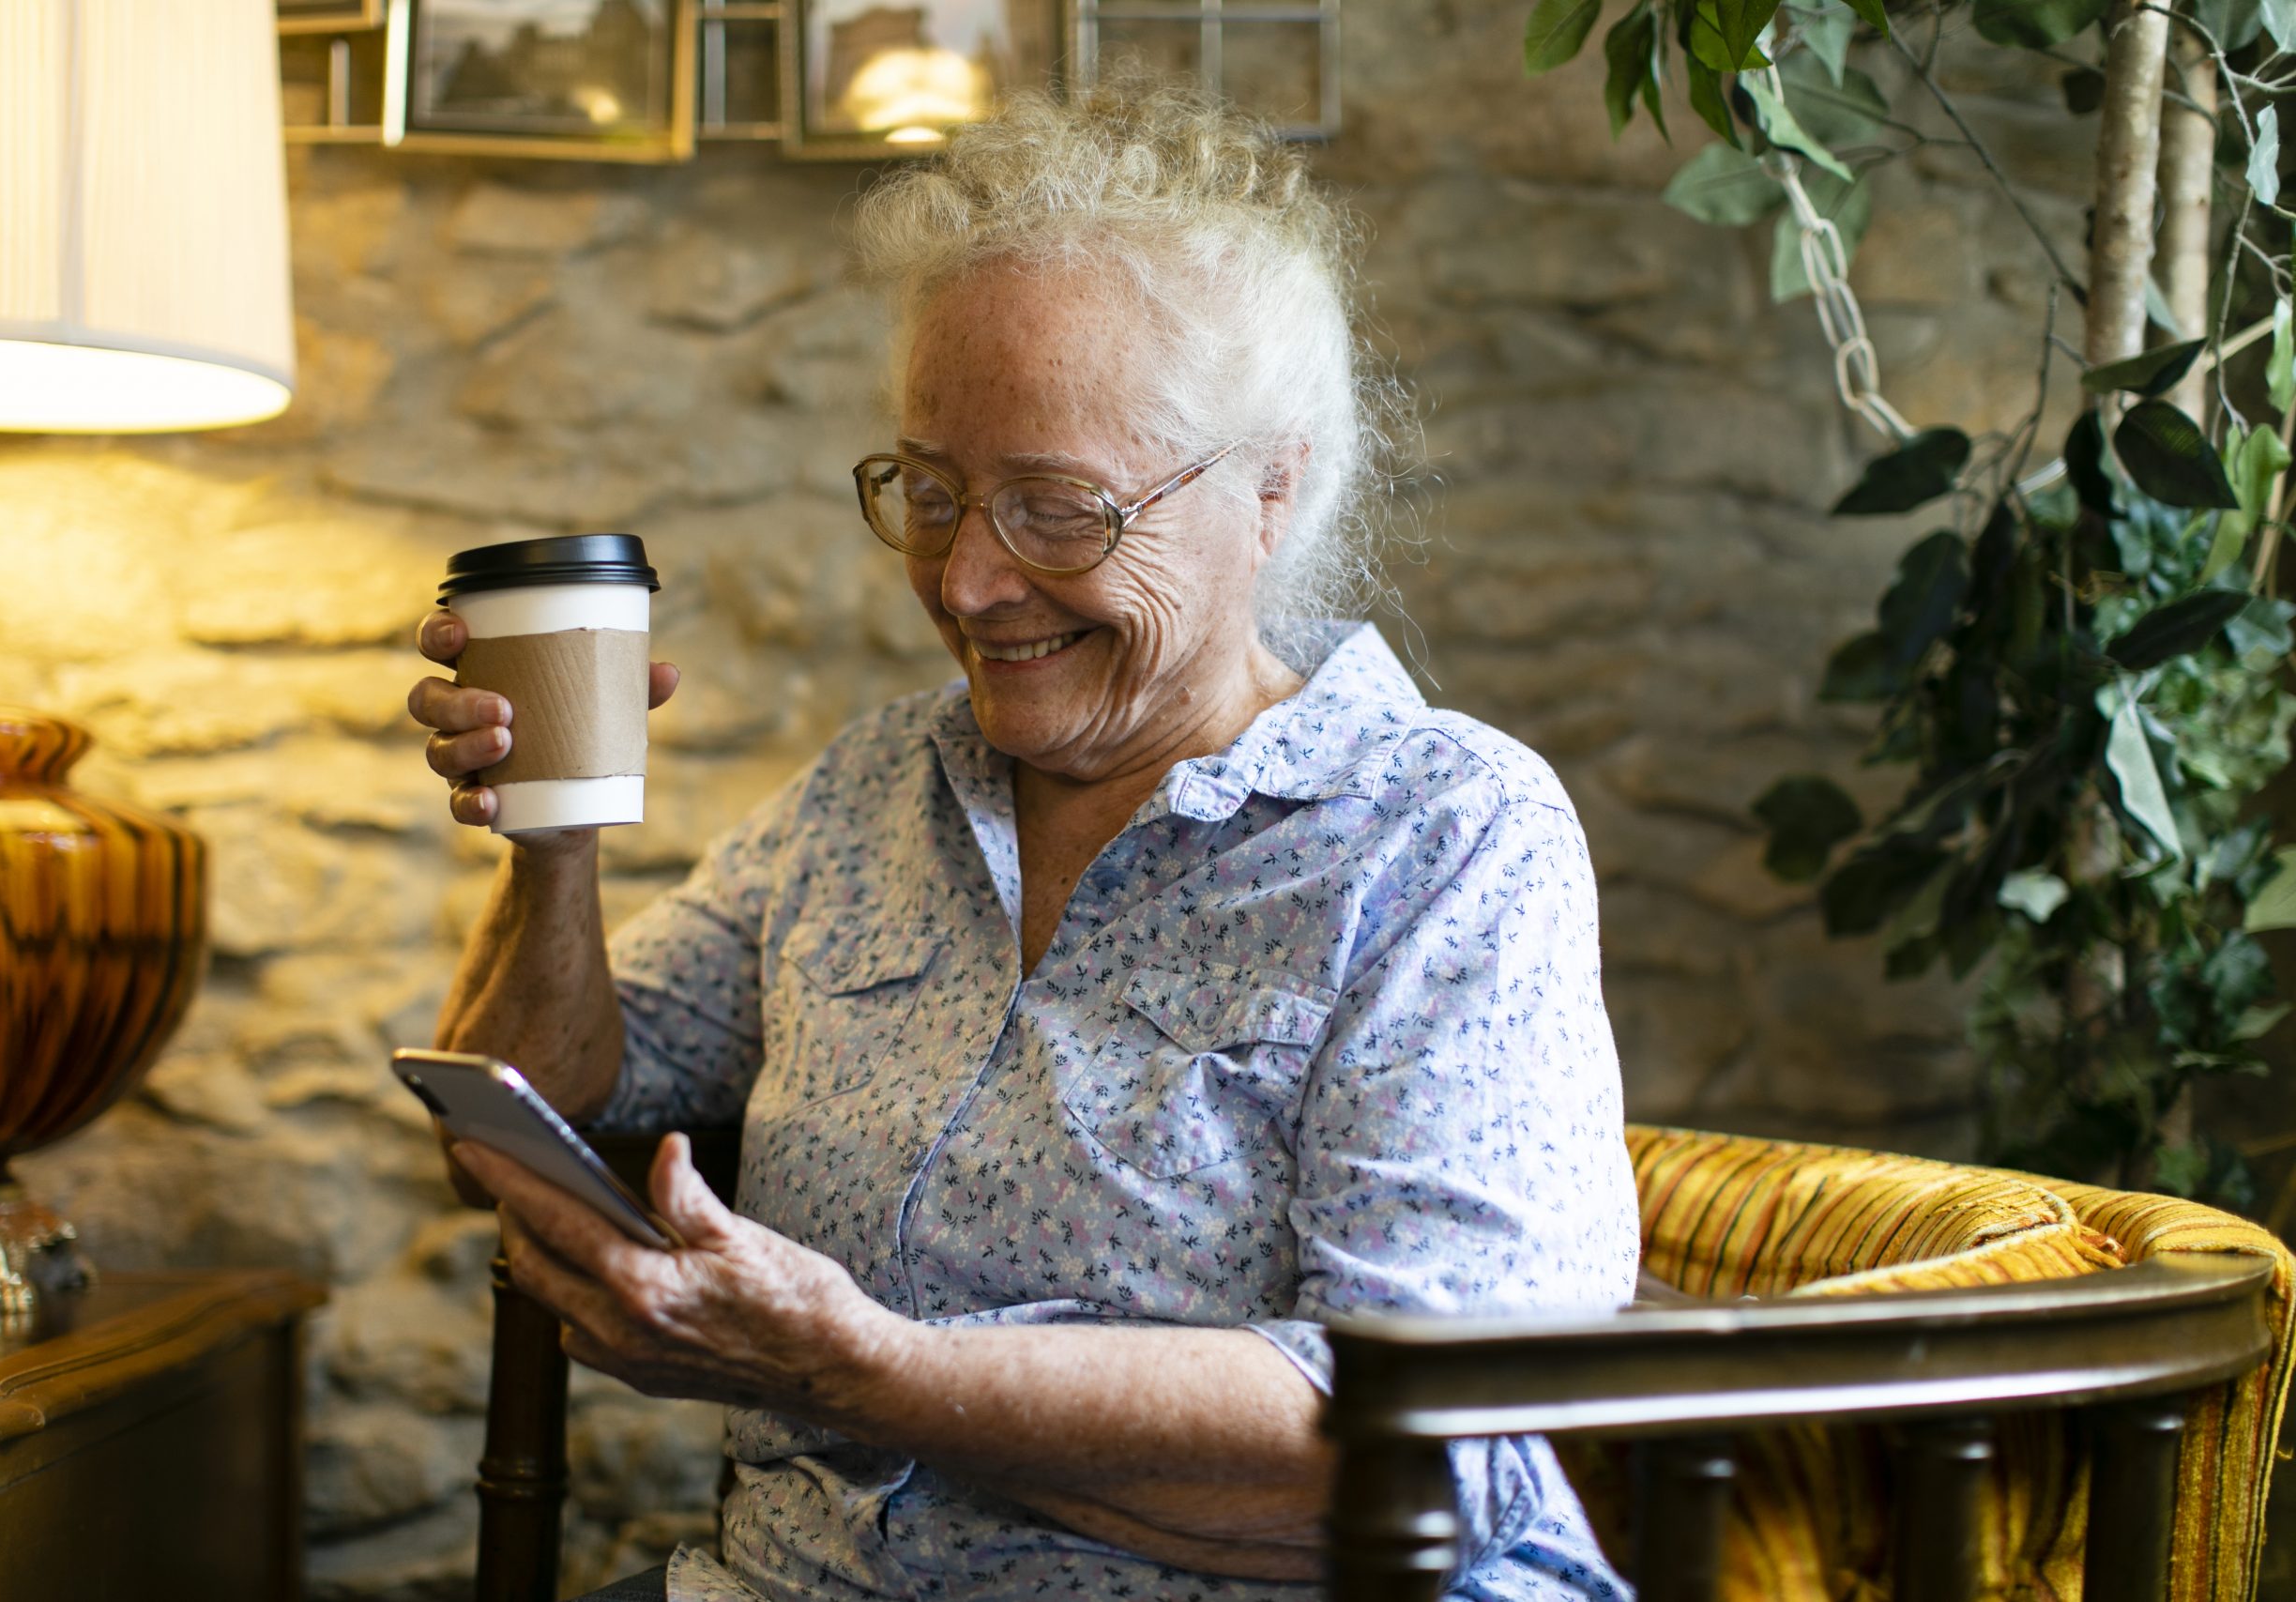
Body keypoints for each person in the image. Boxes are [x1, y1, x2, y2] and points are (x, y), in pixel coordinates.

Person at [408, 82, 1641, 1602]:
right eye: (931, 494)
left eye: (1060, 510)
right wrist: (554, 839)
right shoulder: (872, 793)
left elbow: (1444, 1436)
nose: (969, 583)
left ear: (1271, 489)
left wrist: (868, 1374)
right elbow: (515, 1119)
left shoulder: (1440, 836)